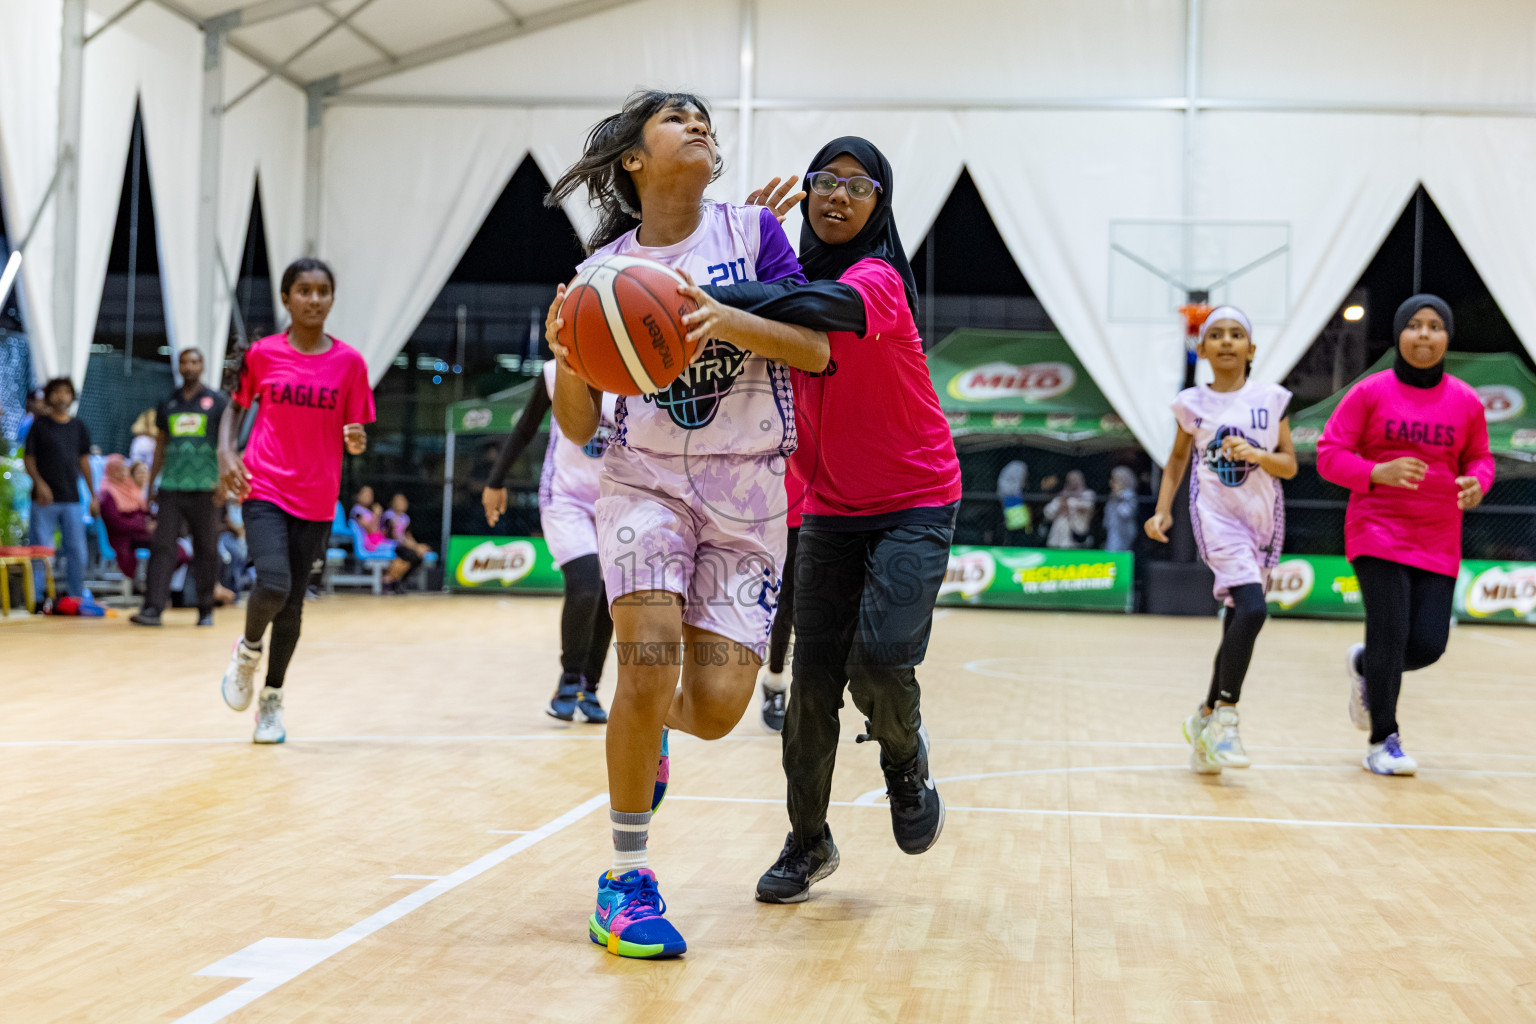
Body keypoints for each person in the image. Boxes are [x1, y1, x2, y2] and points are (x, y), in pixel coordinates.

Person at [545, 90, 823, 959]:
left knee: (712, 709)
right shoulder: (603, 277)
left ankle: (652, 730)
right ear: (632, 157)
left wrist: (729, 316)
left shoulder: (755, 236)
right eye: (676, 118)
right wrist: (566, 355)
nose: (699, 124)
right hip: (645, 486)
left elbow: (818, 350)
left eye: (705, 117)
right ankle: (626, 881)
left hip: (751, 494)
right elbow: (579, 426)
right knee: (647, 657)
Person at [698, 136, 962, 904]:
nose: (836, 197)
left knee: (878, 662)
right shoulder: (777, 280)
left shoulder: (874, 279)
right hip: (828, 511)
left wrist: (717, 299)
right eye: (823, 182)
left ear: (879, 206)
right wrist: (735, 255)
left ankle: (904, 764)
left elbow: (822, 307)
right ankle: (808, 842)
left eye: (857, 186)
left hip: (915, 499)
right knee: (811, 688)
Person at [1318, 295, 1493, 776]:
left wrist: (1479, 482)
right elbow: (1330, 454)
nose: (1424, 334)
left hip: (1438, 536)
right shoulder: (1371, 392)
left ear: (1446, 337)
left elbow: (1480, 457)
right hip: (1377, 530)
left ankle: (1366, 668)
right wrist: (1378, 471)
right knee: (1389, 632)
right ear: (1399, 334)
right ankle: (1383, 741)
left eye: (1435, 326)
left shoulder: (1465, 400)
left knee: (1428, 645)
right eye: (1414, 325)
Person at [217, 257, 374, 744]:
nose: (313, 299)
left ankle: (272, 700)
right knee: (273, 585)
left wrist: (356, 442)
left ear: (331, 299)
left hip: (317, 497)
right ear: (286, 298)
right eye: (302, 290)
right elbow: (234, 411)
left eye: (322, 290)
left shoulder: (350, 363)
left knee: (293, 609)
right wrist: (226, 452)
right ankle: (247, 651)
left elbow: (356, 431)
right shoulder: (263, 354)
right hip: (263, 485)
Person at [1145, 307, 1296, 773]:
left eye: (1236, 335)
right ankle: (1227, 718)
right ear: (1203, 349)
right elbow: (1175, 460)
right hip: (1216, 518)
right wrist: (1162, 509)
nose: (1227, 341)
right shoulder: (1193, 403)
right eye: (1216, 335)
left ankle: (1205, 716)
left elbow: (1289, 465)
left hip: (1263, 521)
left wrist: (1258, 455)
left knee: (1237, 619)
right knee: (1252, 608)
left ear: (1251, 350)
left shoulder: (1272, 399)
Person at [482, 360, 619, 723]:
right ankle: (568, 680)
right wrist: (495, 482)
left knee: (609, 598)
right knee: (586, 584)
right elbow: (526, 428)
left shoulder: (633, 371)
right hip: (565, 498)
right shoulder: (557, 371)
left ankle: (590, 687)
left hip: (617, 501)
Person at [131, 348, 229, 627]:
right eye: (185, 361)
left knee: (207, 548)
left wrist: (224, 482)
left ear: (203, 366)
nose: (189, 366)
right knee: (162, 546)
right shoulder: (168, 401)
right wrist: (152, 485)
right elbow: (161, 444)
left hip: (205, 486)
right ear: (178, 366)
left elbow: (225, 445)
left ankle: (205, 608)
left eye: (195, 361)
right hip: (172, 485)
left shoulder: (217, 401)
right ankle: (153, 609)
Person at [23, 377, 96, 597]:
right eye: (56, 392)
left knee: (77, 552)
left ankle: (75, 597)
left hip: (72, 498)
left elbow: (84, 462)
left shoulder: (78, 426)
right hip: (43, 500)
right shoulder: (39, 426)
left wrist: (94, 495)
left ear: (72, 397)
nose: (61, 396)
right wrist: (40, 484)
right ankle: (35, 599)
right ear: (48, 396)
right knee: (41, 551)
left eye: (66, 392)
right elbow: (29, 459)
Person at [99, 453, 158, 581]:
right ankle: (154, 584)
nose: (123, 473)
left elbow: (143, 511)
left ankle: (157, 583)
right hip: (123, 538)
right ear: (111, 471)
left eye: (124, 469)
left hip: (138, 534)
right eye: (119, 470)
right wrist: (144, 526)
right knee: (164, 545)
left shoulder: (131, 489)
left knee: (168, 543)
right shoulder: (107, 494)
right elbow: (116, 522)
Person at [381, 493, 430, 593]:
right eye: (398, 501)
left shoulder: (405, 518)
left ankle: (399, 582)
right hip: (390, 545)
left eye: (403, 501)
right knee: (412, 556)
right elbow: (395, 536)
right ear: (392, 503)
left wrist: (418, 546)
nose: (401, 504)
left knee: (417, 558)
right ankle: (391, 580)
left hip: (401, 545)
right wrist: (416, 547)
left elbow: (407, 536)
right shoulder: (389, 516)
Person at [1044, 470, 1095, 548]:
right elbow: (1048, 512)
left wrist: (1068, 504)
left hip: (1078, 533)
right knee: (1062, 521)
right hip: (1059, 537)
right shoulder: (1062, 496)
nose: (1073, 482)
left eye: (1075, 479)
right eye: (1070, 479)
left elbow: (1087, 507)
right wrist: (1060, 507)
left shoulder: (1088, 494)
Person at [1102, 466, 1140, 552]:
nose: (1111, 483)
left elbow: (1126, 513)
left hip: (1123, 531)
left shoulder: (1129, 496)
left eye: (1115, 481)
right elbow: (1108, 515)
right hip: (1112, 531)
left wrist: (1119, 498)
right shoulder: (1113, 496)